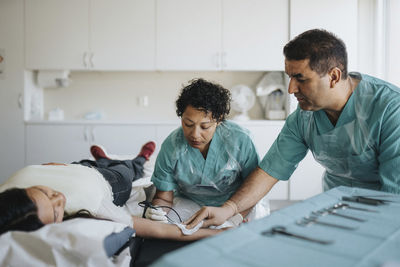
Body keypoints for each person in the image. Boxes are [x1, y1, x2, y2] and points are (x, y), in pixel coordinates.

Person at [185, 29, 400, 229]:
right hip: (336, 208)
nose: (290, 89)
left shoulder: (390, 110)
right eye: (289, 77)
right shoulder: (304, 117)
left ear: (334, 76)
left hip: (384, 216)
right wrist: (228, 209)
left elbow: (394, 196)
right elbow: (269, 171)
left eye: (301, 78)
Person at [0, 142, 222, 240]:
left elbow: (45, 168)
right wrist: (217, 233)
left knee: (95, 162)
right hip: (109, 181)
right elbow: (163, 231)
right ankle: (140, 158)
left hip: (76, 166)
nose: (59, 197)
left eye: (45, 191)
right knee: (126, 168)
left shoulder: (8, 192)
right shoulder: (90, 210)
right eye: (57, 210)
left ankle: (105, 158)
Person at [147, 78, 261, 225]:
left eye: (205, 126)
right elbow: (164, 197)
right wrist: (159, 211)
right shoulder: (172, 146)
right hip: (191, 204)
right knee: (174, 229)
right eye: (188, 124)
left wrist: (235, 217)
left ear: (219, 120)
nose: (195, 134)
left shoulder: (241, 141)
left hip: (237, 204)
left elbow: (254, 188)